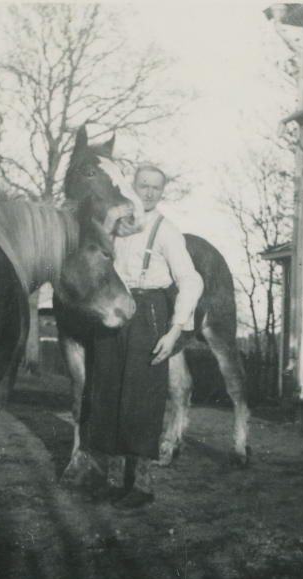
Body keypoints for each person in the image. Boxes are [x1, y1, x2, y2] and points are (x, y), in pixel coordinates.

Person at [85, 164, 203, 508]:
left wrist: (175, 330)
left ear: (162, 192)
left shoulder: (167, 230)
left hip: (149, 312)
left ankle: (142, 486)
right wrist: (107, 226)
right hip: (113, 309)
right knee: (108, 393)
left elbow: (190, 281)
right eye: (143, 186)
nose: (149, 192)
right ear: (132, 188)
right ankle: (112, 481)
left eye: (156, 187)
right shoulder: (115, 226)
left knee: (141, 399)